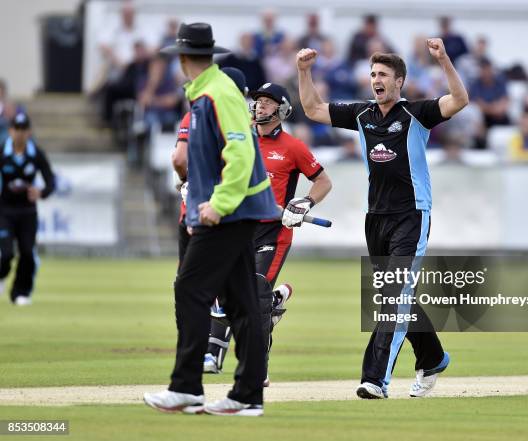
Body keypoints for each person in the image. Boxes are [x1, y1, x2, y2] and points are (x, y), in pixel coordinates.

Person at [296, 37, 468, 398]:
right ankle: (433, 358)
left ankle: (375, 379)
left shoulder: (416, 113)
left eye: (383, 74)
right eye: (373, 74)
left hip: (412, 214)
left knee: (393, 297)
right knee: (398, 295)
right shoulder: (362, 114)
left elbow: (460, 100)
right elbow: (313, 109)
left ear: (398, 81)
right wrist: (303, 71)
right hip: (376, 218)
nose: (376, 79)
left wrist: (444, 61)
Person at [143, 22, 278, 417]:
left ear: (183, 59)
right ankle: (248, 396)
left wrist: (218, 204)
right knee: (242, 303)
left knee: (190, 290)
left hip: (232, 211)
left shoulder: (219, 94)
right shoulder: (207, 94)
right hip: (232, 210)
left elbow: (240, 156)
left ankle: (186, 388)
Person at [204, 82, 332, 378]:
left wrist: (304, 203)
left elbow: (323, 181)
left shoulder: (293, 147)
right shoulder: (239, 140)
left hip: (274, 232)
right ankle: (274, 303)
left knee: (257, 294)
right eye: (258, 100)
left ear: (282, 110)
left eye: (268, 102)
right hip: (238, 228)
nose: (260, 105)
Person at [0, 113, 55, 305]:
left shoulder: (36, 154)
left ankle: (20, 293)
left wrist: (42, 193)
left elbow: (51, 180)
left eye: (24, 130)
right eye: (17, 129)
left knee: (27, 253)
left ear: (29, 132)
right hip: (5, 211)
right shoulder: (2, 152)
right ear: (10, 131)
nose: (20, 134)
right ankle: (1, 275)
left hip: (27, 212)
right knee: (6, 254)